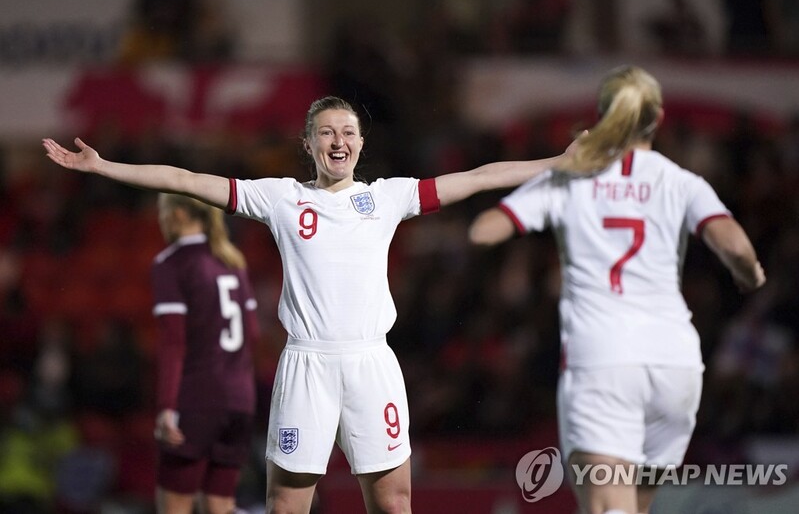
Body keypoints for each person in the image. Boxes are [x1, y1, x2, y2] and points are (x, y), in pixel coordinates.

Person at [43, 95, 578, 514]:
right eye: (327, 132)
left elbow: (480, 177)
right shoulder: (281, 198)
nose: (338, 141)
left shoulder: (389, 197)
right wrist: (105, 167)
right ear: (308, 143)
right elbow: (185, 180)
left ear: (362, 145)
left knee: (395, 503)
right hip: (307, 365)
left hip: (371, 363)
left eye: (348, 133)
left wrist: (558, 161)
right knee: (286, 505)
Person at [468, 65, 766, 514]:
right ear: (658, 118)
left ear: (604, 117)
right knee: (637, 508)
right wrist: (751, 275)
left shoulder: (572, 176)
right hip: (675, 366)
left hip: (603, 361)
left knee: (610, 508)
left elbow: (485, 230)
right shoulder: (683, 182)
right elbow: (733, 243)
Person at [151, 193, 259, 514]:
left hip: (198, 398)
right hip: (240, 399)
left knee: (175, 505)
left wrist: (167, 406)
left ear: (179, 215)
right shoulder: (233, 261)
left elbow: (174, 342)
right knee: (221, 505)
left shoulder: (172, 263)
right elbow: (252, 335)